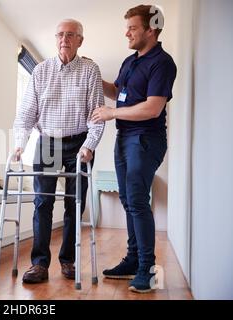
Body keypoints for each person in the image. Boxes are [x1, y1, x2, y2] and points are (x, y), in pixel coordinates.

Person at [91, 5, 177, 293]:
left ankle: (146, 269)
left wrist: (112, 113)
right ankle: (131, 261)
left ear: (151, 29)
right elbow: (118, 91)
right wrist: (93, 76)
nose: (126, 32)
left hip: (146, 140)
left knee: (137, 201)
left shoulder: (162, 63)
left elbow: (153, 108)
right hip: (124, 139)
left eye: (133, 28)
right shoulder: (130, 61)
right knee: (129, 200)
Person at [13, 19, 105, 284]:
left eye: (70, 35)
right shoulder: (41, 71)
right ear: (56, 39)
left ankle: (69, 260)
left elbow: (96, 115)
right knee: (43, 202)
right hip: (48, 142)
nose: (64, 39)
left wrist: (89, 146)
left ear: (80, 40)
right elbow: (26, 113)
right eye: (60, 35)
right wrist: (20, 142)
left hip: (79, 143)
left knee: (74, 204)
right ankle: (40, 264)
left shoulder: (90, 70)